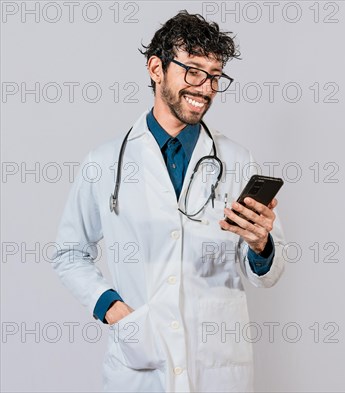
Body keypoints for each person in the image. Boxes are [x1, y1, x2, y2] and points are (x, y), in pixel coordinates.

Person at [51, 10, 286, 392]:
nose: (205, 88)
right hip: (141, 364)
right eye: (193, 71)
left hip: (218, 367)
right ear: (156, 68)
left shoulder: (238, 161)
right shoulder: (105, 162)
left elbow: (268, 272)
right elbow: (68, 252)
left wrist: (262, 245)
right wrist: (112, 308)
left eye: (214, 76)